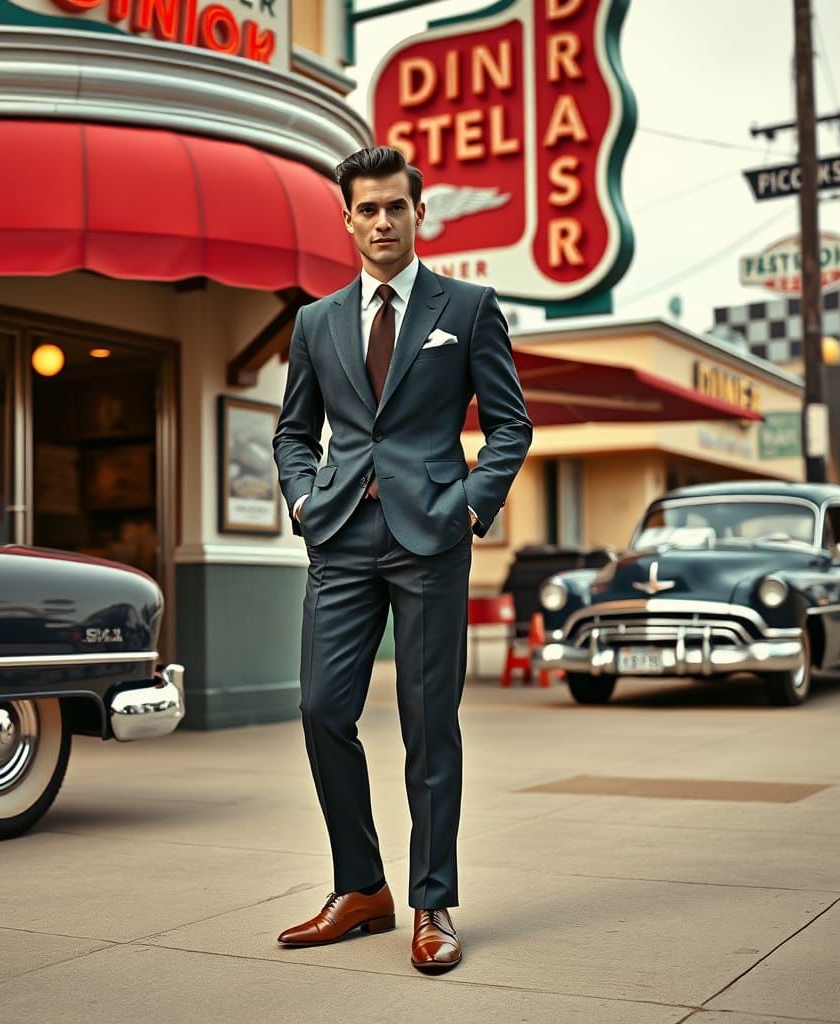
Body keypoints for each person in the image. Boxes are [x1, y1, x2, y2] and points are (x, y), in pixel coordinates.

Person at [272, 146, 532, 973]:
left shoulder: (469, 307)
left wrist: (470, 506)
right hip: (341, 535)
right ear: (347, 220)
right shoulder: (315, 323)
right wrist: (304, 499)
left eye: (396, 207)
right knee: (322, 708)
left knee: (429, 726)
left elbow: (510, 425)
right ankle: (361, 889)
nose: (382, 221)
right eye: (368, 209)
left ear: (420, 214)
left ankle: (431, 901)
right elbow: (292, 432)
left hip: (432, 539)